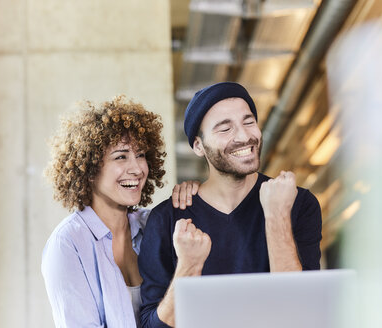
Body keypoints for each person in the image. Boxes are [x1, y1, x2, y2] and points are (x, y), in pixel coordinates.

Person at [138, 82, 322, 328]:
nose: (244, 136)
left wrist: (278, 216)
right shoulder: (166, 219)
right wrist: (188, 267)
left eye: (249, 122)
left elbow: (304, 313)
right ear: (198, 146)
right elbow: (151, 326)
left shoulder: (298, 203)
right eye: (225, 128)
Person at [41, 96, 198, 328]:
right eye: (121, 156)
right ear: (90, 168)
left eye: (141, 155)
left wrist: (195, 197)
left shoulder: (153, 225)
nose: (136, 169)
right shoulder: (68, 244)